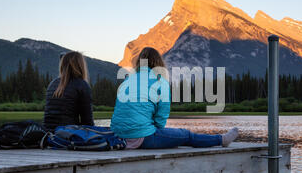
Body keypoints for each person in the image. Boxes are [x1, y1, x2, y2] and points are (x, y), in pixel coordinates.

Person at [110, 47, 238, 149]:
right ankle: (221, 140)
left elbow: (121, 110)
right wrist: (156, 132)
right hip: (143, 137)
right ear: (158, 63)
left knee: (174, 135)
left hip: (118, 137)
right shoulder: (160, 81)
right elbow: (161, 118)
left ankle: (221, 139)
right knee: (186, 135)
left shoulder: (127, 80)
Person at [43, 51, 94, 131]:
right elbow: (88, 122)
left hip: (48, 135)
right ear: (80, 65)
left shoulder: (52, 83)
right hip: (68, 136)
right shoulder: (82, 84)